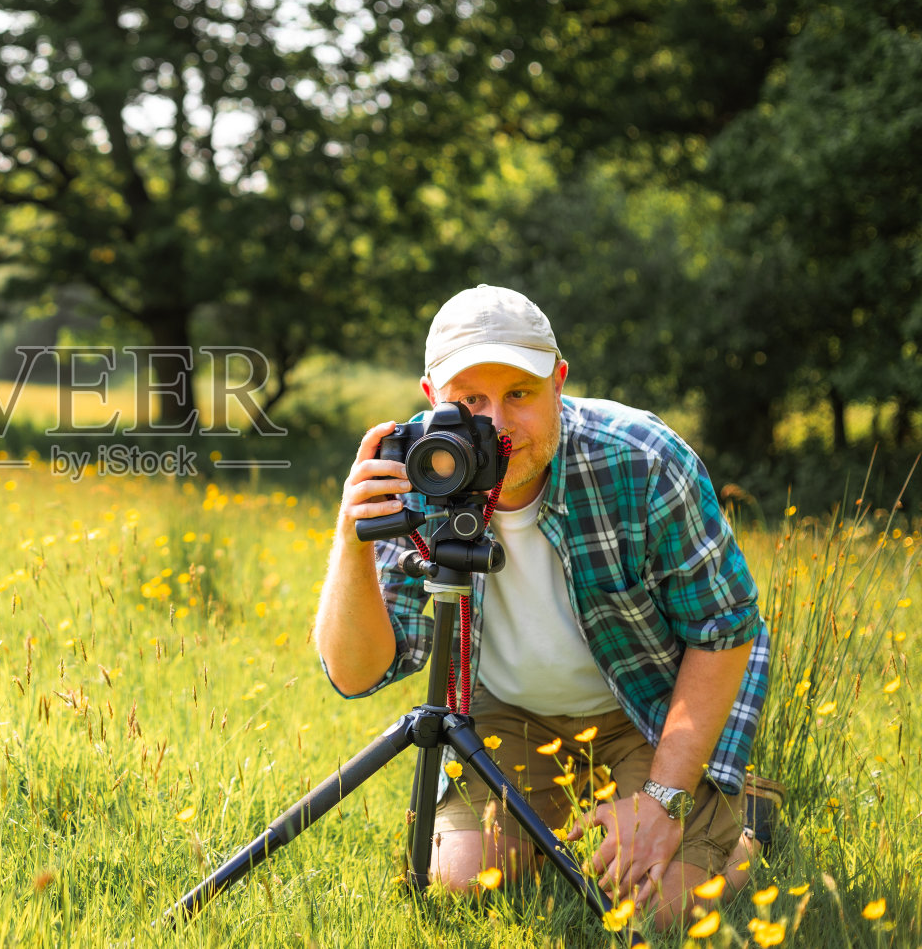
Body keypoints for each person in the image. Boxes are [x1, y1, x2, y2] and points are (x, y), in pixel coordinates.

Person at [314, 284, 773, 933]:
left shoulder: (641, 459)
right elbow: (357, 672)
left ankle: (738, 818)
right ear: (430, 397)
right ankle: (582, 808)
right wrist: (351, 538)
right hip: (512, 718)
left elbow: (726, 628)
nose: (496, 422)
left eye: (519, 394)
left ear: (558, 382)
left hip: (646, 708)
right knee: (458, 879)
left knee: (661, 909)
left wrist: (664, 798)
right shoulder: (418, 471)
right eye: (470, 400)